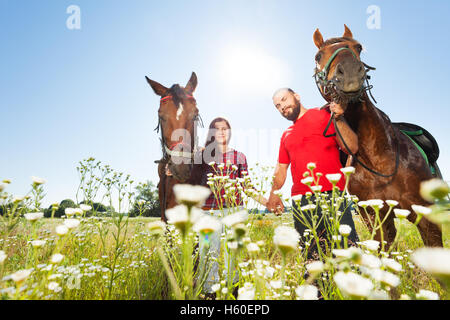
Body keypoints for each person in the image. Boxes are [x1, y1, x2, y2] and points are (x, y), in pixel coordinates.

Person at [266, 88, 359, 260]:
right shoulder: (286, 134)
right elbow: (281, 168)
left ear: (297, 96)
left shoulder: (325, 114)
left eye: (284, 100)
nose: (282, 107)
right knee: (312, 258)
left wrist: (339, 118)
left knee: (348, 255)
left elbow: (351, 147)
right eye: (278, 106)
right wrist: (273, 194)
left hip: (333, 197)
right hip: (301, 202)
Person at [197, 117, 267, 296]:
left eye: (225, 128)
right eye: (217, 128)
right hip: (207, 213)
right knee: (206, 250)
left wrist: (268, 202)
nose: (221, 131)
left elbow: (247, 187)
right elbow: (185, 174)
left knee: (233, 251)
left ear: (229, 132)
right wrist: (170, 169)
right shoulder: (202, 155)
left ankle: (233, 288)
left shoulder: (239, 156)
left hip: (234, 212)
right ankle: (208, 291)